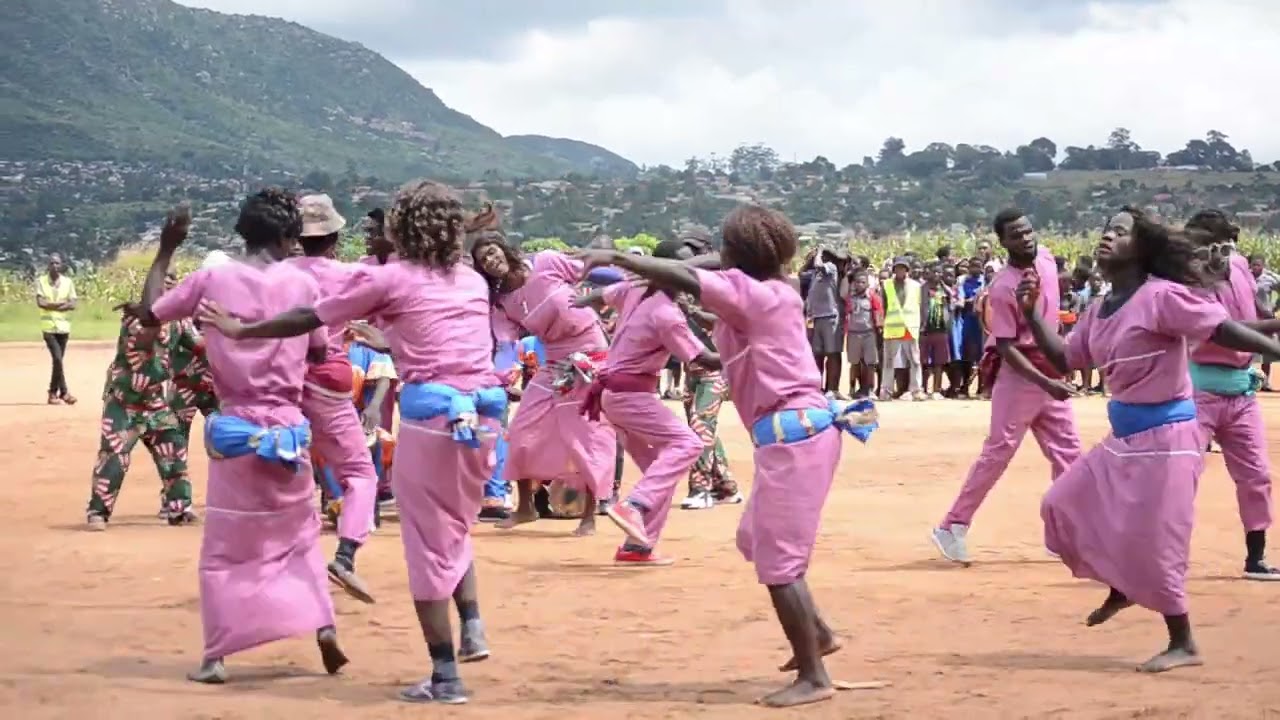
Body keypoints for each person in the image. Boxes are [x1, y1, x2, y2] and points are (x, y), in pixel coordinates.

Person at [201, 181, 502, 704]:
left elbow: (309, 317)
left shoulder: (389, 280)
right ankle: (472, 624)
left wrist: (242, 331)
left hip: (434, 422)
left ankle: (445, 677)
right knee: (453, 525)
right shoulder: (472, 281)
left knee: (428, 546)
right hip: (487, 419)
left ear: (400, 228)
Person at [573, 206, 878, 708]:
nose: (719, 255)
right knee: (754, 539)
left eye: (727, 247)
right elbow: (710, 267)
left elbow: (689, 274)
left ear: (741, 256)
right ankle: (818, 634)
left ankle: (814, 675)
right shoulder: (774, 286)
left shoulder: (752, 296)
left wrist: (617, 256)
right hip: (797, 435)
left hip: (794, 439)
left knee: (780, 566)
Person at [1021, 209, 1280, 672]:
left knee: (1160, 542)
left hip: (1169, 438)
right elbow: (1064, 359)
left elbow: (1222, 329)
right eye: (1107, 230)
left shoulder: (1161, 296)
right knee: (1061, 503)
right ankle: (1124, 584)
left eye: (1121, 232)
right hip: (1126, 438)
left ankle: (1183, 642)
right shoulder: (1101, 308)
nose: (1108, 236)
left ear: (1142, 248)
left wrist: (1277, 348)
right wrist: (1032, 316)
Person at [134, 191, 348, 684]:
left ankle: (216, 658)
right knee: (300, 539)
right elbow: (318, 352)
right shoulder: (302, 281)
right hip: (289, 431)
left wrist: (167, 249)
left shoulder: (212, 277)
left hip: (236, 432)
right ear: (286, 236)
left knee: (225, 552)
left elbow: (150, 314)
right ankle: (323, 627)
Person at [932, 209, 1082, 564]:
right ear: (1003, 242)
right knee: (998, 452)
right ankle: (952, 525)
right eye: (1016, 235)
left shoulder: (1045, 260)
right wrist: (1046, 380)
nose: (1025, 238)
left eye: (1028, 231)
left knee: (1070, 457)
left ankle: (1060, 534)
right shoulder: (1003, 287)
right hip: (1022, 377)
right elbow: (1005, 346)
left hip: (1049, 374)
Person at [575, 238, 717, 564]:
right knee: (688, 445)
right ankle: (635, 505)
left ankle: (637, 547)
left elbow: (602, 295)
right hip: (630, 396)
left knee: (659, 471)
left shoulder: (636, 290)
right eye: (682, 269)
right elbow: (702, 360)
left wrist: (579, 302)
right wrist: (746, 353)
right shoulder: (667, 314)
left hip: (615, 395)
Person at [471, 231, 616, 537]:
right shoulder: (503, 303)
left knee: (586, 434)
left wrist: (639, 276)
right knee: (523, 428)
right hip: (553, 361)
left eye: (493, 253)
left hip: (589, 353)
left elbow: (593, 267)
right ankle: (525, 507)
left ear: (505, 250)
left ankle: (589, 515)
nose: (491, 261)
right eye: (484, 260)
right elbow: (505, 344)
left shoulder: (547, 263)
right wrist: (495, 377)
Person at [288, 194, 379, 603]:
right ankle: (345, 555)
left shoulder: (278, 273)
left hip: (283, 380)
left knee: (292, 470)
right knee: (360, 473)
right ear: (336, 236)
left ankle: (291, 561)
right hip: (329, 380)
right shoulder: (351, 275)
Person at [1185, 209, 1279, 580]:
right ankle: (1160, 556)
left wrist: (1268, 315)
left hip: (1241, 391)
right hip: (1199, 392)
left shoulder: (1239, 266)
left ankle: (1255, 558)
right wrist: (1274, 326)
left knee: (1256, 475)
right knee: (1182, 475)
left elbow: (1254, 305)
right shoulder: (1191, 282)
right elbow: (1223, 330)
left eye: (1215, 245)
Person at [86, 276, 196, 531]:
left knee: (174, 450)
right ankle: (98, 512)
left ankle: (179, 508)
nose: (166, 284)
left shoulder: (181, 322)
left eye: (171, 280)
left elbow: (200, 346)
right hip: (124, 402)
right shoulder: (134, 319)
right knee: (115, 456)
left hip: (155, 402)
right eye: (161, 280)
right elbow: (146, 338)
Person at [879, 257, 924, 401]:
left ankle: (916, 390)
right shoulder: (886, 285)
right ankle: (886, 390)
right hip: (892, 328)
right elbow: (883, 306)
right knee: (888, 361)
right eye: (897, 268)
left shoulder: (916, 286)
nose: (900, 271)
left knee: (915, 361)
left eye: (903, 268)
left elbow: (920, 306)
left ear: (907, 270)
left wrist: (921, 324)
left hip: (910, 327)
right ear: (893, 270)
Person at [35, 253, 77, 405]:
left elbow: (73, 304)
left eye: (57, 263)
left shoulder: (68, 282)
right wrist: (60, 305)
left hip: (64, 328)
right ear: (48, 265)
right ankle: (63, 392)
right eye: (52, 263)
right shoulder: (41, 281)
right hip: (49, 328)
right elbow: (41, 302)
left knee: (58, 362)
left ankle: (55, 393)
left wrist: (52, 305)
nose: (54, 266)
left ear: (61, 265)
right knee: (58, 359)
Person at [844, 270, 882, 399]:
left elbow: (878, 312)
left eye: (863, 282)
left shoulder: (873, 297)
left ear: (867, 283)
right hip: (853, 334)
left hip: (869, 334)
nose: (860, 284)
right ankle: (852, 389)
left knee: (870, 363)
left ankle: (870, 390)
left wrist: (879, 328)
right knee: (854, 363)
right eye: (857, 282)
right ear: (854, 283)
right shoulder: (850, 298)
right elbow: (846, 315)